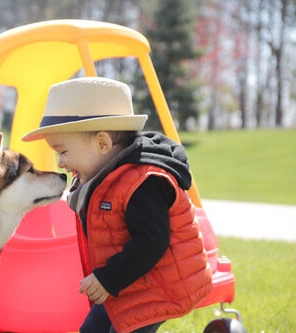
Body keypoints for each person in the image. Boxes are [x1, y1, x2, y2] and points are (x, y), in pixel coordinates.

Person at [21, 77, 212, 333]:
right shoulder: (105, 177)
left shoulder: (143, 182)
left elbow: (152, 241)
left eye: (63, 151)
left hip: (163, 285)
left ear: (102, 143)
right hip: (130, 280)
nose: (60, 163)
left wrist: (109, 278)